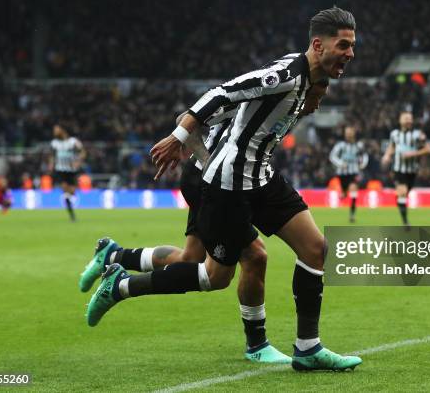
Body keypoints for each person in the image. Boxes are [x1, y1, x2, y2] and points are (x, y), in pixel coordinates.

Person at [87, 7, 362, 371]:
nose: (350, 54)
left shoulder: (307, 84)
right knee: (212, 275)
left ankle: (308, 348)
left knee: (315, 248)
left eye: (352, 46)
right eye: (343, 45)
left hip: (261, 178)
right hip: (228, 185)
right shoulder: (283, 75)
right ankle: (121, 285)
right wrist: (179, 136)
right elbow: (222, 93)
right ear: (317, 44)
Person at [79, 112, 289, 364]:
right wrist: (211, 165)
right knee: (242, 262)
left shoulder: (284, 102)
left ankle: (113, 255)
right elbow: (184, 119)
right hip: (212, 184)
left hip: (205, 180)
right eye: (320, 89)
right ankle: (121, 286)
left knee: (189, 258)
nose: (318, 98)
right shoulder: (257, 93)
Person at [381, 110, 430, 228]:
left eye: (410, 118)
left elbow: (429, 149)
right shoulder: (394, 134)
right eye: (406, 118)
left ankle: (399, 196)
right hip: (398, 169)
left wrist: (413, 154)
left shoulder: (418, 135)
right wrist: (387, 155)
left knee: (404, 194)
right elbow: (392, 146)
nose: (408, 120)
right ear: (400, 121)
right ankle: (405, 222)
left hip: (412, 170)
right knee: (403, 192)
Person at [329, 126, 368, 222]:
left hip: (354, 172)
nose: (349, 134)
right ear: (345, 134)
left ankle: (352, 215)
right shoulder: (340, 145)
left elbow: (365, 156)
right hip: (342, 174)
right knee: (344, 194)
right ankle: (344, 193)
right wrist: (340, 163)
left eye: (350, 132)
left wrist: (362, 164)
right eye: (347, 133)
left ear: (353, 133)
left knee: (354, 189)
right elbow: (332, 156)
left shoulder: (358, 146)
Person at [48, 125, 85, 221]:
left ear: (62, 130)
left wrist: (78, 162)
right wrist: (51, 164)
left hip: (72, 170)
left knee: (72, 192)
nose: (54, 132)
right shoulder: (54, 143)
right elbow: (52, 155)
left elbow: (83, 152)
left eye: (56, 130)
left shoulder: (73, 141)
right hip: (60, 169)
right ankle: (72, 215)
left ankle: (70, 204)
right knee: (65, 189)